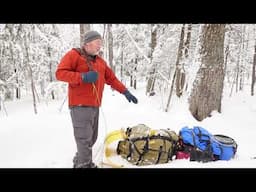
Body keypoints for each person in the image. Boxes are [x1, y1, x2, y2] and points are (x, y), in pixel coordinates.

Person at [55, 30, 138, 168]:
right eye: (98, 43)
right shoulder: (74, 55)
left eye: (101, 43)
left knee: (92, 138)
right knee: (84, 139)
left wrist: (125, 91)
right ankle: (85, 165)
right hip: (80, 105)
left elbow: (111, 78)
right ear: (87, 43)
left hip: (94, 106)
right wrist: (82, 77)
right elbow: (60, 73)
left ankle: (79, 161)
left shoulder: (100, 62)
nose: (100, 46)